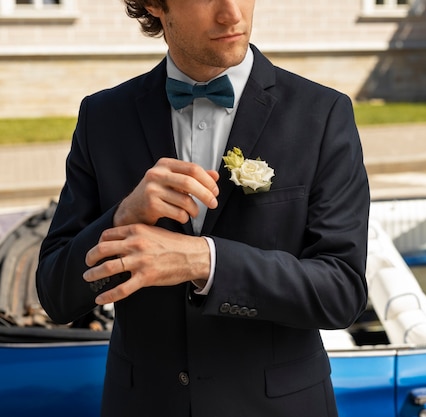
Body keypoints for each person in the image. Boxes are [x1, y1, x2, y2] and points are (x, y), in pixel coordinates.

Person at [35, 1, 370, 416]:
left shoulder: (322, 114)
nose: (232, 14)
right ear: (156, 5)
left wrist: (205, 261)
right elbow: (55, 295)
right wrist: (123, 216)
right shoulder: (102, 117)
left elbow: (342, 291)